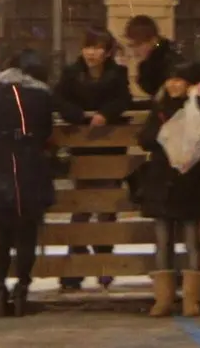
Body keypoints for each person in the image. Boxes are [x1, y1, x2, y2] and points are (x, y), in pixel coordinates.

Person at [0, 49, 88, 317]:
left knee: (3, 235)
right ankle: (22, 289)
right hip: (31, 167)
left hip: (1, 166)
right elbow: (74, 114)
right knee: (27, 233)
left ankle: (0, 289)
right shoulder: (43, 93)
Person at [137, 61, 200, 317]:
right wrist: (163, 131)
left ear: (190, 84)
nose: (173, 84)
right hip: (161, 181)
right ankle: (163, 298)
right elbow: (145, 139)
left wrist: (199, 97)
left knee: (192, 241)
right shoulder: (158, 108)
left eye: (179, 80)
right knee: (163, 241)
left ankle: (191, 298)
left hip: (189, 182)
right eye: (170, 79)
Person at [54, 29, 132, 291]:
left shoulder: (117, 74)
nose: (92, 53)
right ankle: (74, 270)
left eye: (98, 48)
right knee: (81, 206)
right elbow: (59, 99)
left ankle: (104, 264)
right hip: (82, 148)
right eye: (88, 47)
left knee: (108, 207)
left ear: (107, 51)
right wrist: (80, 116)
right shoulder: (70, 72)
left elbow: (124, 99)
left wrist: (105, 114)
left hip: (110, 148)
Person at [124, 15, 185, 100]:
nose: (135, 51)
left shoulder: (169, 63)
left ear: (153, 40)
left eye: (138, 44)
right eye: (132, 46)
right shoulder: (149, 64)